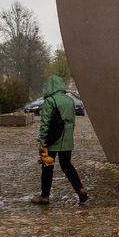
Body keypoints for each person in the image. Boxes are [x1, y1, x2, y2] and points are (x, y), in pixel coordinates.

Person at [31, 75, 88, 205]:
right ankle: (81, 190)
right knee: (67, 165)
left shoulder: (50, 101)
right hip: (67, 138)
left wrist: (42, 140)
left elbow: (45, 122)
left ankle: (44, 196)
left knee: (47, 167)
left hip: (52, 138)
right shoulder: (69, 100)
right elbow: (72, 122)